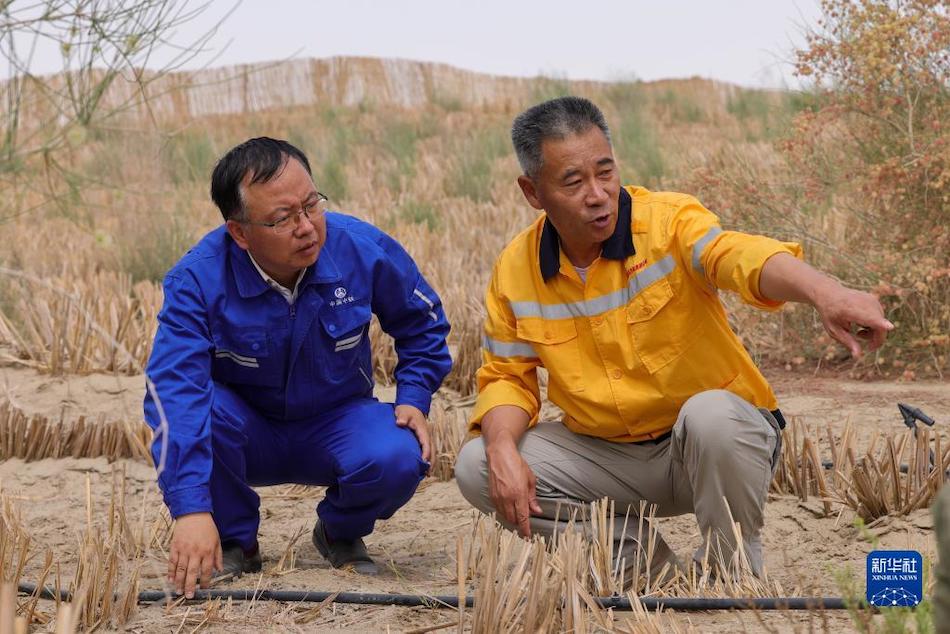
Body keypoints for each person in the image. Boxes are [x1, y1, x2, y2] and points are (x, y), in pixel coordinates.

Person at [454, 96, 892, 584]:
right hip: (608, 460)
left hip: (707, 452)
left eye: (605, 172)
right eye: (573, 182)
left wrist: (825, 293)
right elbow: (506, 379)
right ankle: (640, 565)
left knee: (712, 414)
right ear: (532, 192)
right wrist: (501, 450)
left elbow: (736, 255)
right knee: (477, 465)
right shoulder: (515, 270)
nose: (598, 194)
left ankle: (731, 568)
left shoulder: (668, 222)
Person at [144, 137, 451, 598]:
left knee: (398, 455)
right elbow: (173, 393)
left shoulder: (361, 248)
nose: (306, 227)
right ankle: (235, 542)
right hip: (247, 432)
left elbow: (423, 322)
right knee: (202, 411)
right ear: (240, 232)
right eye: (282, 218)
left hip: (337, 421)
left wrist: (414, 396)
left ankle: (338, 532)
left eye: (312, 205)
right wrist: (190, 509)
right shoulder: (196, 279)